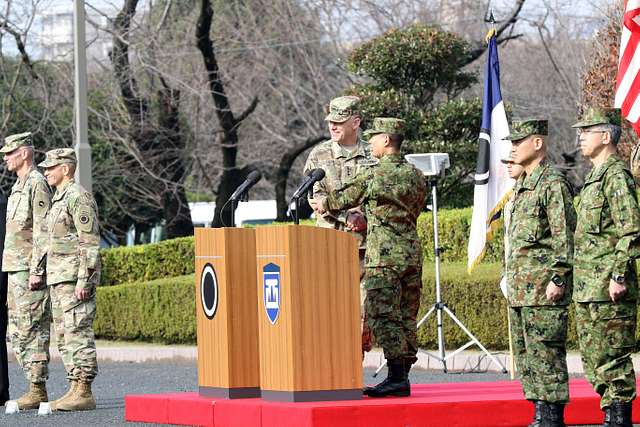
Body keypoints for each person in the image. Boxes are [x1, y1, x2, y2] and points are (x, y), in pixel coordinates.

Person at [317, 117, 427, 398]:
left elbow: (339, 199)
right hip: (412, 255)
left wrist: (323, 203)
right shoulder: (416, 175)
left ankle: (396, 377)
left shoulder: (374, 174)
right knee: (406, 315)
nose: (371, 142)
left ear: (387, 140)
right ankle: (403, 375)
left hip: (384, 257)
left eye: (375, 137)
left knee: (382, 315)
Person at [572, 107, 640, 427]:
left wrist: (618, 274)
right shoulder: (593, 178)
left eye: (587, 130)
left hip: (609, 288)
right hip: (588, 287)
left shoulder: (615, 175)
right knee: (595, 360)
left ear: (605, 136)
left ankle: (619, 419)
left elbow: (632, 229)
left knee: (613, 359)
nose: (580, 136)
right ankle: (610, 415)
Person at [506, 119, 576, 427]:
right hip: (522, 289)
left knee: (546, 355)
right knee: (527, 357)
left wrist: (559, 277)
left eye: (519, 141)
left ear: (537, 143)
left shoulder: (552, 183)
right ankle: (539, 413)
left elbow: (565, 237)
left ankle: (551, 417)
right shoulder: (522, 185)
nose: (513, 147)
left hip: (544, 289)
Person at [304, 95, 378, 353]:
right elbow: (316, 197)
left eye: (340, 121)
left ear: (355, 122)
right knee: (330, 312)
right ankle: (332, 375)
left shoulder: (373, 152)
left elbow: (383, 192)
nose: (333, 127)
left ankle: (351, 373)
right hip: (330, 245)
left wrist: (365, 215)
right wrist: (347, 216)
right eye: (330, 122)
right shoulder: (320, 154)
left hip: (364, 247)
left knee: (361, 314)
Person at [34, 148, 101, 411]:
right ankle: (74, 387)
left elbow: (90, 241)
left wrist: (86, 279)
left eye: (51, 167)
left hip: (74, 279)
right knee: (64, 336)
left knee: (78, 332)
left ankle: (84, 390)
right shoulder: (58, 199)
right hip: (59, 278)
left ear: (66, 169)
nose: (46, 171)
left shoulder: (78, 197)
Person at [0, 132, 52, 410]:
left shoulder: (36, 184)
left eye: (10, 152)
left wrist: (37, 270)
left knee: (33, 328)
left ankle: (37, 388)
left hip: (28, 271)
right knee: (19, 331)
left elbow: (43, 232)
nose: (6, 158)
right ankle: (32, 386)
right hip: (14, 269)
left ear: (24, 154)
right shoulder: (18, 186)